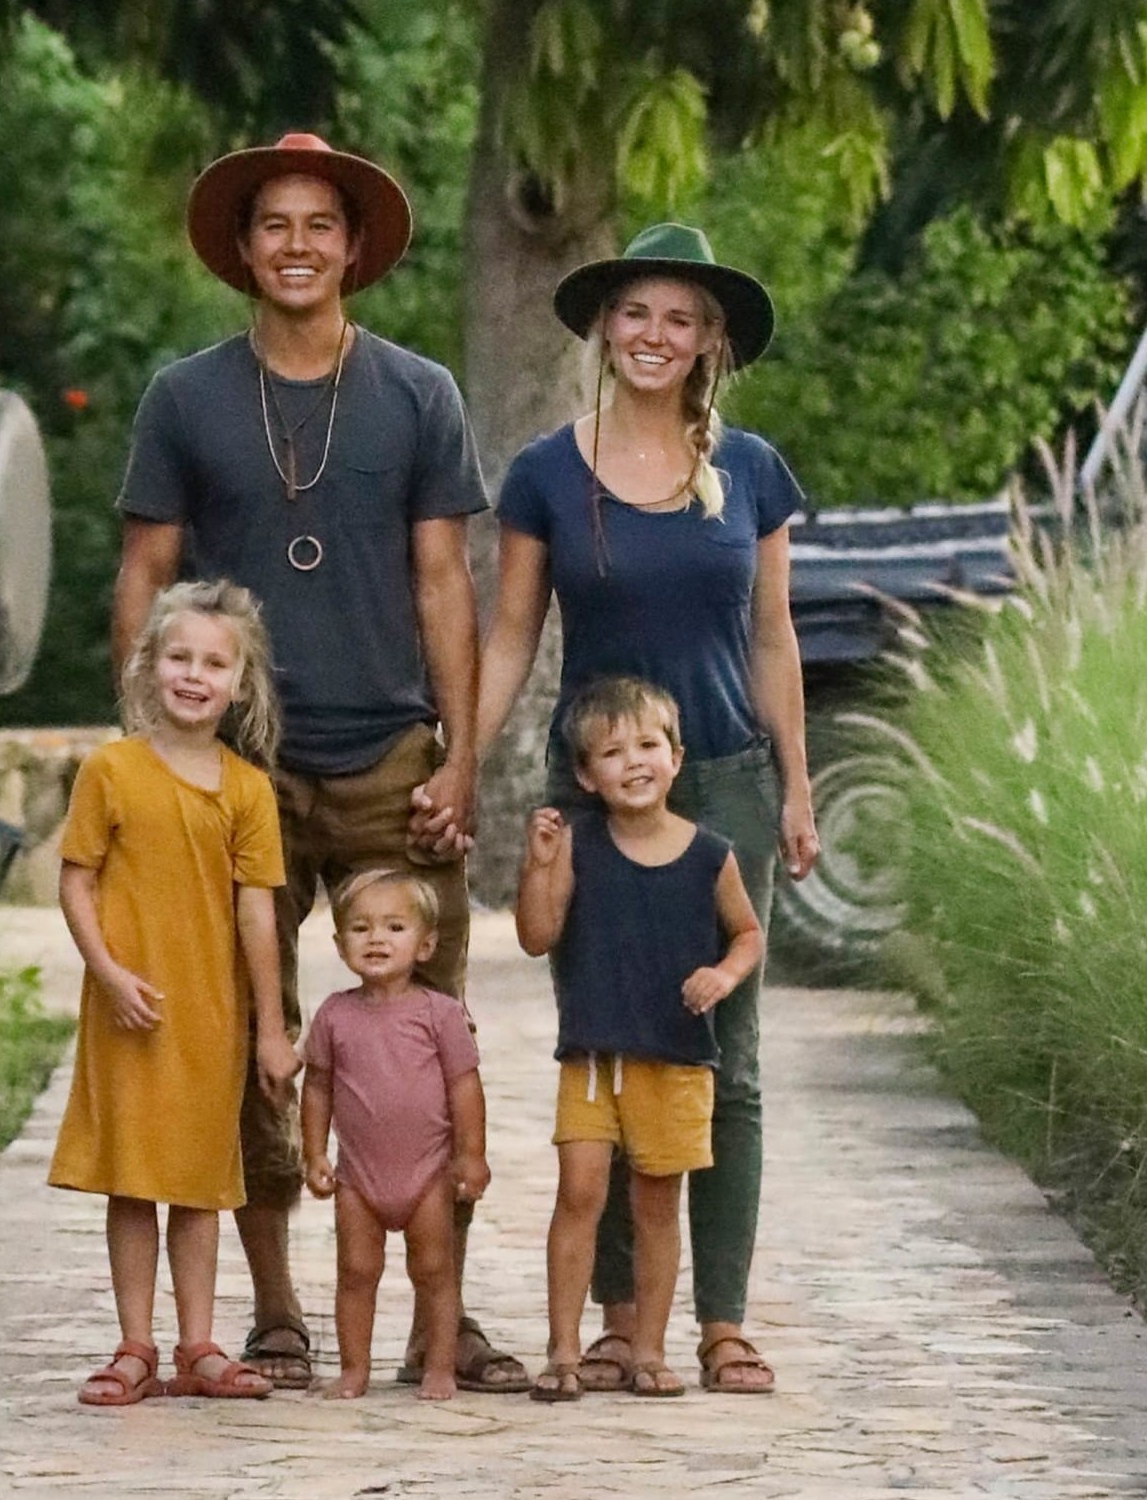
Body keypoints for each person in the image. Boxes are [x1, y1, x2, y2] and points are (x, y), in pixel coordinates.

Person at [110, 134, 527, 1393]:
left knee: (425, 1037)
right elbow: (144, 572)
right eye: (274, 225)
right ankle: (279, 1309)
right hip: (236, 767)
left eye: (319, 225)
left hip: (391, 751)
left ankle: (438, 1321)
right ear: (244, 249)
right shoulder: (186, 397)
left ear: (354, 248)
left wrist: (460, 757)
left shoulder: (418, 393)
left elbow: (445, 579)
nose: (296, 245)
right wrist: (152, 751)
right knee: (252, 1029)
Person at [477, 224, 820, 1395]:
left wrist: (797, 784)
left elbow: (772, 638)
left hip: (720, 782)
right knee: (613, 1051)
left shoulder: (754, 472)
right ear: (603, 327)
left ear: (711, 340)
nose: (655, 335)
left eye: (681, 319)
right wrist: (461, 764)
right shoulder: (545, 474)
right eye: (636, 313)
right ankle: (624, 1319)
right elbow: (512, 634)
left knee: (728, 1059)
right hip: (596, 797)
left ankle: (721, 1319)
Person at [49, 579, 302, 1405]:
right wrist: (108, 973)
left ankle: (199, 1345)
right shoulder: (110, 771)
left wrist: (271, 1029)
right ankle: (135, 1345)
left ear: (242, 682)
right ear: (148, 665)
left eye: (215, 663)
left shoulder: (247, 790)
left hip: (209, 1019)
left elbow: (258, 915)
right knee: (133, 1180)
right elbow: (77, 882)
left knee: (199, 1183)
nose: (194, 675)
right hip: (128, 1010)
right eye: (179, 657)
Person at [516, 677, 764, 1400]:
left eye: (649, 745)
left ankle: (650, 1351)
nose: (634, 762)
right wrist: (537, 865)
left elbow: (748, 933)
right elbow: (537, 935)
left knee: (657, 1205)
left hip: (676, 1058)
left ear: (677, 759)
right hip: (594, 1058)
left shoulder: (710, 854)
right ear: (585, 776)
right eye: (612, 752)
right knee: (580, 1192)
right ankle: (564, 1350)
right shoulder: (578, 845)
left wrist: (723, 975)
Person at [301, 869, 491, 1401]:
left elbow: (465, 1087)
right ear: (340, 945)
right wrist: (314, 1152)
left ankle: (439, 1367)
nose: (376, 939)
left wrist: (471, 1155)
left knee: (434, 1270)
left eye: (394, 927)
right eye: (360, 928)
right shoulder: (334, 1015)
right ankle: (354, 1369)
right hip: (358, 1177)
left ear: (425, 945)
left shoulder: (440, 1014)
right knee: (355, 1271)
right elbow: (316, 1087)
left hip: (427, 1173)